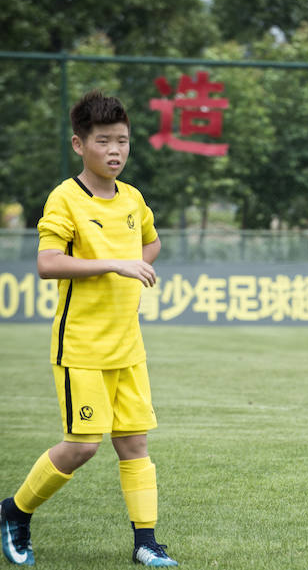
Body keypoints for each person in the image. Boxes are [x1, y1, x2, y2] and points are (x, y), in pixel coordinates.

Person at [0, 91, 178, 567]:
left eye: (122, 141)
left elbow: (152, 243)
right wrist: (116, 265)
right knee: (81, 446)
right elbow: (47, 262)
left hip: (128, 347)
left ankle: (146, 542)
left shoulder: (133, 199)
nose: (115, 151)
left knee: (135, 444)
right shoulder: (65, 197)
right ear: (80, 145)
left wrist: (135, 265)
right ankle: (14, 511)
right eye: (104, 141)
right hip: (82, 346)